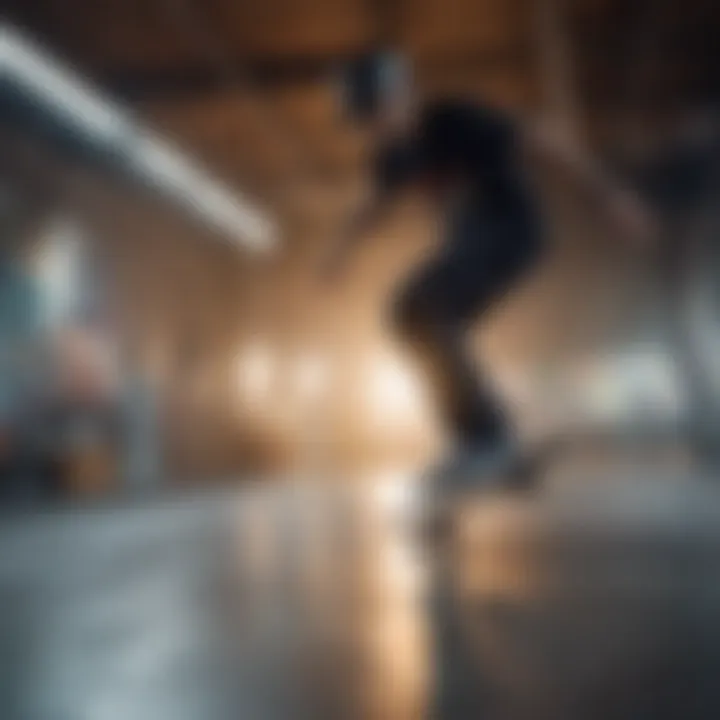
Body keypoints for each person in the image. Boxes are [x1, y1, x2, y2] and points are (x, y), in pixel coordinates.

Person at [321, 51, 652, 491]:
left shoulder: (457, 119)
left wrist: (607, 194)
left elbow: (540, 142)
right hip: (472, 242)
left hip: (512, 230)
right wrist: (339, 252)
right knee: (419, 323)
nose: (377, 130)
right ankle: (497, 447)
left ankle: (487, 439)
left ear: (403, 95)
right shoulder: (391, 160)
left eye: (379, 113)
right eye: (365, 122)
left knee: (417, 308)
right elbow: (371, 207)